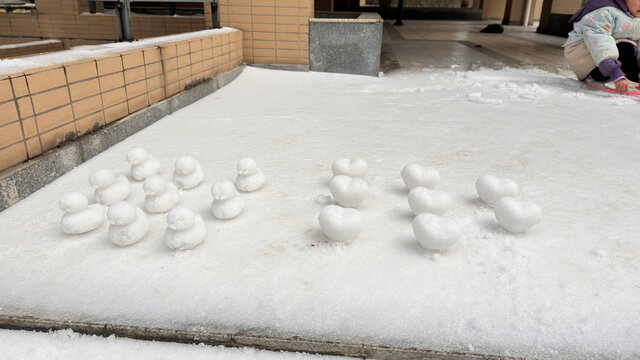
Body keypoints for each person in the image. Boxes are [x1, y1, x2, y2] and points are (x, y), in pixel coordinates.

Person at [564, 0, 640, 94]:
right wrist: (615, 73)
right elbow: (599, 39)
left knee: (630, 48)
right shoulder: (605, 12)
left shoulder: (635, 16)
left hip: (605, 55)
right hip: (583, 54)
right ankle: (593, 77)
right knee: (626, 47)